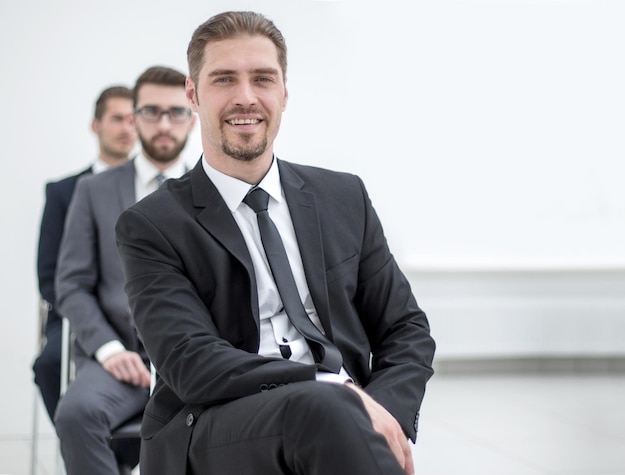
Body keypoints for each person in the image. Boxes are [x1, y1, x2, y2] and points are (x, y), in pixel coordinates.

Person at [116, 11, 435, 475]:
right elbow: (192, 363)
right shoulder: (151, 224)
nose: (246, 97)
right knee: (322, 410)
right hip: (211, 423)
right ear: (193, 95)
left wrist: (384, 411)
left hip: (341, 415)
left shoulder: (344, 196)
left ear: (284, 92)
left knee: (332, 417)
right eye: (224, 79)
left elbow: (406, 329)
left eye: (262, 79)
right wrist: (331, 386)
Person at [54, 65, 196, 475]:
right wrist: (109, 350)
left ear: (193, 115)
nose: (164, 124)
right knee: (76, 414)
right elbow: (71, 285)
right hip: (119, 360)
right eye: (151, 111)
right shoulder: (93, 190)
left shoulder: (213, 189)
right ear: (134, 117)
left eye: (176, 112)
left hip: (194, 361)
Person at [33, 85, 137, 423]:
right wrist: (88, 315)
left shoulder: (160, 188)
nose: (127, 128)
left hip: (141, 312)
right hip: (77, 315)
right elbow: (49, 276)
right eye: (117, 119)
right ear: (96, 125)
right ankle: (84, 451)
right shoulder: (64, 191)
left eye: (133, 119)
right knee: (50, 364)